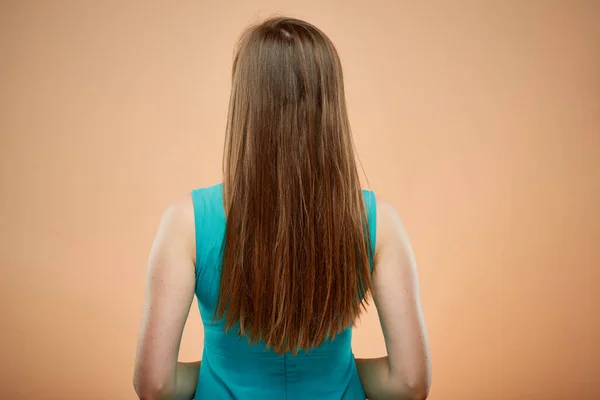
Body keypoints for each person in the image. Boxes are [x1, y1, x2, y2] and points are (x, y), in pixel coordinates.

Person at [133, 16, 431, 400]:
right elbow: (409, 384)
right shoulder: (378, 222)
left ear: (245, 105)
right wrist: (329, 368)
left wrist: (220, 366)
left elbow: (155, 386)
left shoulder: (186, 222)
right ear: (330, 105)